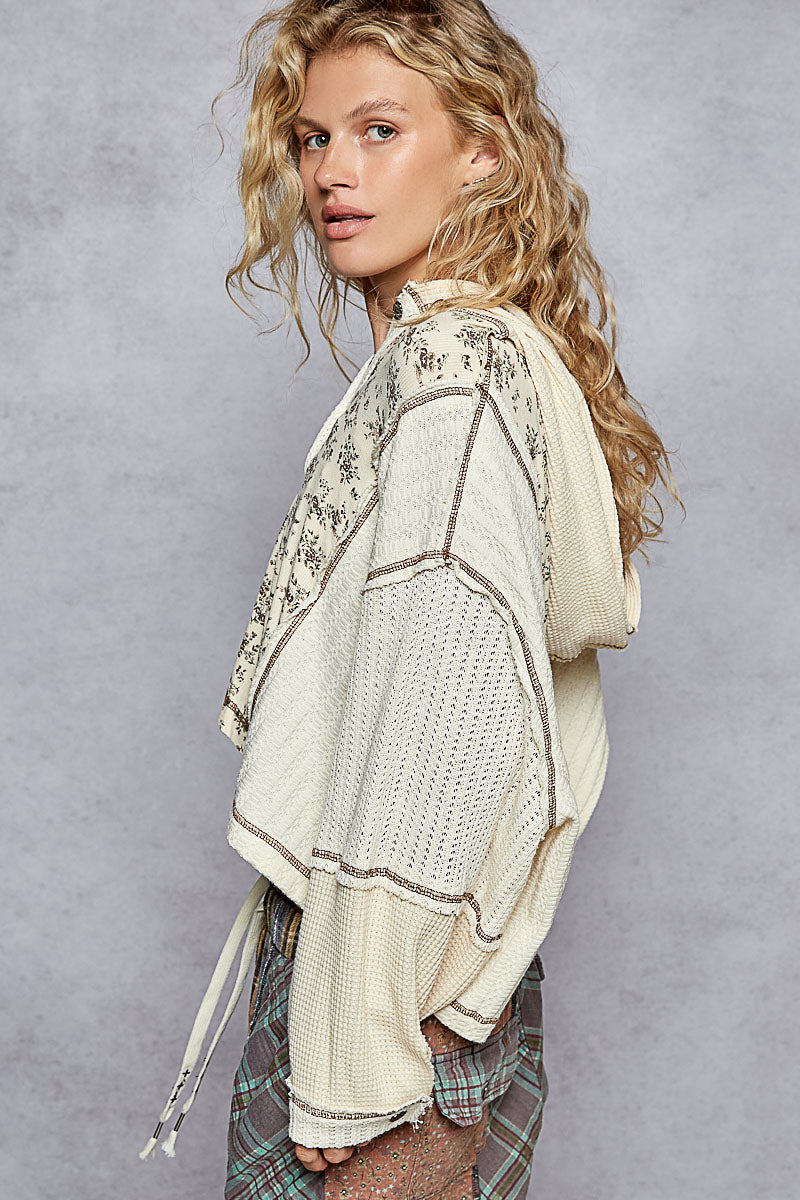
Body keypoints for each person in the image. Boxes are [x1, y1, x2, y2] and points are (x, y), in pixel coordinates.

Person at [139, 2, 683, 1195]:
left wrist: (354, 1047)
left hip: (388, 1013)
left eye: (378, 131)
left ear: (481, 150)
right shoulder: (464, 361)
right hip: (430, 994)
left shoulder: (450, 373)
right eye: (313, 139)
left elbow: (434, 732)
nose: (332, 172)